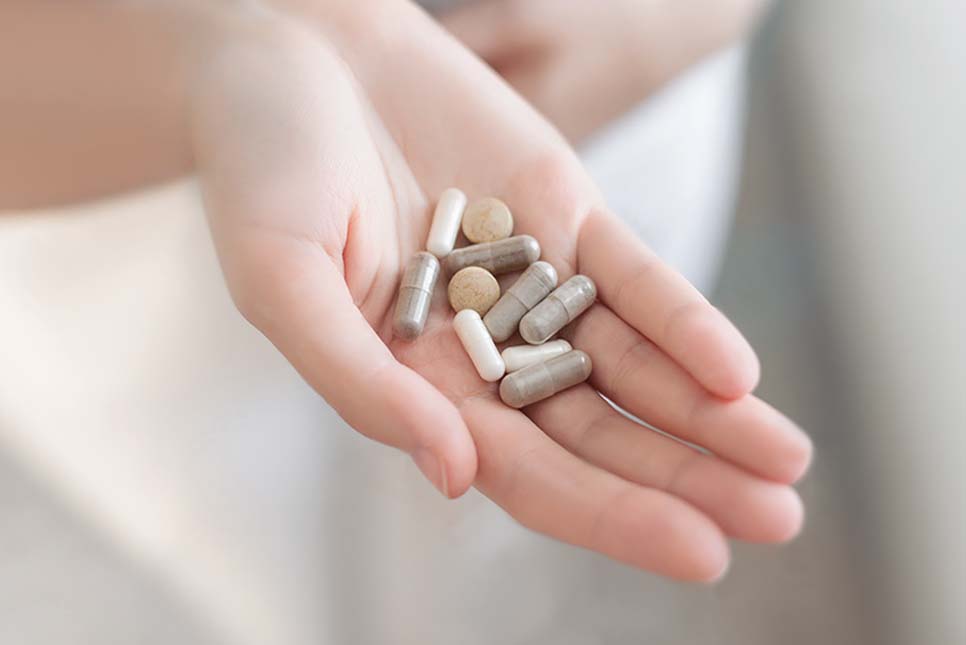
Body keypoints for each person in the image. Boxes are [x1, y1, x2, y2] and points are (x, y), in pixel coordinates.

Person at [2, 0, 809, 604]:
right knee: (276, 549)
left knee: (494, 541)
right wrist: (210, 56)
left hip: (610, 114)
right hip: (109, 157)